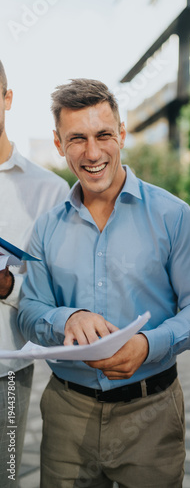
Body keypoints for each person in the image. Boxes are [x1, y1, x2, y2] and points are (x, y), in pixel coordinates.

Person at [18, 78, 190, 488]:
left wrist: (149, 345)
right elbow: (29, 311)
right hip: (66, 415)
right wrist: (66, 318)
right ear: (58, 144)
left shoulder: (174, 216)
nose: (92, 153)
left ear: (122, 134)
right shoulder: (45, 228)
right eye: (77, 139)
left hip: (152, 412)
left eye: (103, 134)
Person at [0, 60, 69, 487]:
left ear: (6, 98)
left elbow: (55, 292)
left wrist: (6, 284)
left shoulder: (48, 191)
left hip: (6, 370)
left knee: (4, 475)